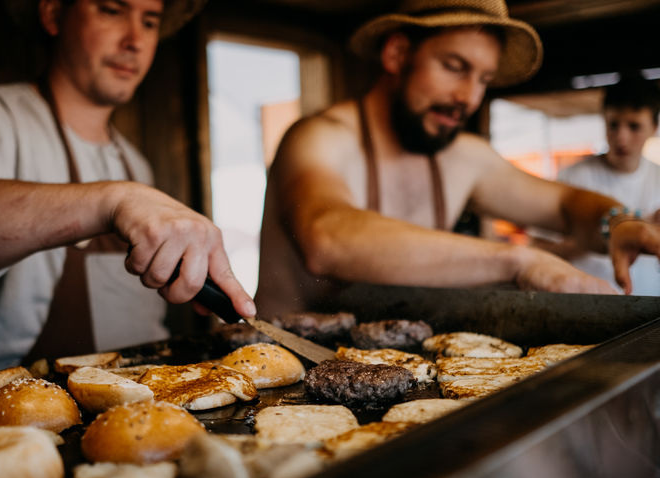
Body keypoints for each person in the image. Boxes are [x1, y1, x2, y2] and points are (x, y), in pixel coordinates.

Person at [0, 0, 255, 383]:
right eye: (112, 10)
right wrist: (112, 201)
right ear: (53, 14)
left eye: (149, 21)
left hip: (139, 414)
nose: (135, 41)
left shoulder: (134, 163)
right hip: (10, 425)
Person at [255, 0, 660, 317]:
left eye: (483, 79)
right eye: (454, 67)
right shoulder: (319, 138)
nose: (468, 97)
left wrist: (618, 222)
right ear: (397, 53)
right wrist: (518, 261)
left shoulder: (462, 157)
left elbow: (564, 204)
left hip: (398, 377)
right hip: (281, 383)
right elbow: (328, 238)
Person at [532, 76, 660, 296]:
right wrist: (599, 238)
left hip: (650, 310)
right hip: (585, 305)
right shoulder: (573, 178)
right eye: (613, 125)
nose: (621, 137)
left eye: (634, 126)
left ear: (654, 127)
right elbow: (537, 248)